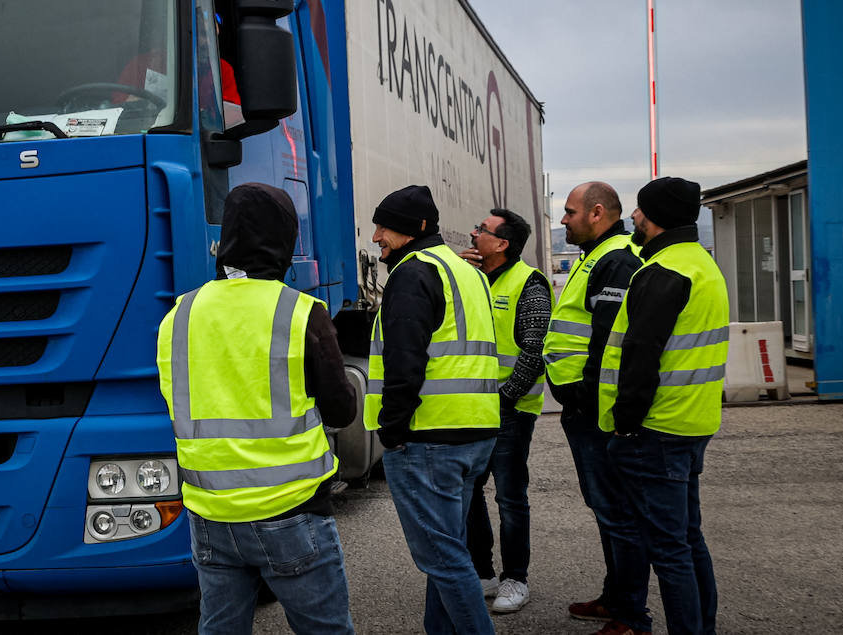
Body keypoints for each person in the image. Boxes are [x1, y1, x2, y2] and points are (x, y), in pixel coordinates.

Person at [156, 182, 357, 635]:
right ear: (284, 241)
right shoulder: (300, 311)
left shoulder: (179, 315)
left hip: (210, 515)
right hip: (291, 509)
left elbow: (177, 401)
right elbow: (341, 410)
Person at [363, 185, 501, 635]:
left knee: (444, 559)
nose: (377, 234)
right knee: (448, 552)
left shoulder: (413, 273)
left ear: (414, 229)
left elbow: (406, 361)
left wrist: (392, 430)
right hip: (475, 432)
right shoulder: (467, 272)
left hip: (429, 438)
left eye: (385, 226)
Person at [599, 177, 728, 635]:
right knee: (688, 540)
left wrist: (625, 427)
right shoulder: (702, 264)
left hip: (658, 429)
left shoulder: (662, 272)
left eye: (638, 211)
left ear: (653, 219)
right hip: (692, 421)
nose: (633, 217)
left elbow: (640, 357)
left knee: (670, 550)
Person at [544, 182, 652, 635]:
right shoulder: (599, 256)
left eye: (569, 212)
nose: (563, 220)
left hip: (594, 411)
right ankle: (615, 599)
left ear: (597, 212)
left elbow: (611, 340)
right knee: (606, 507)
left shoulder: (616, 260)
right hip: (585, 409)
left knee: (616, 512)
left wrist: (585, 395)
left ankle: (631, 615)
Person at [457, 207, 551, 615]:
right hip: (470, 407)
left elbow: (534, 349)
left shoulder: (528, 283)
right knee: (470, 491)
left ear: (502, 243)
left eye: (483, 230)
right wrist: (456, 275)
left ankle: (516, 578)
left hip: (508, 409)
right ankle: (482, 572)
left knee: (511, 497)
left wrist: (505, 397)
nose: (474, 233)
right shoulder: (471, 276)